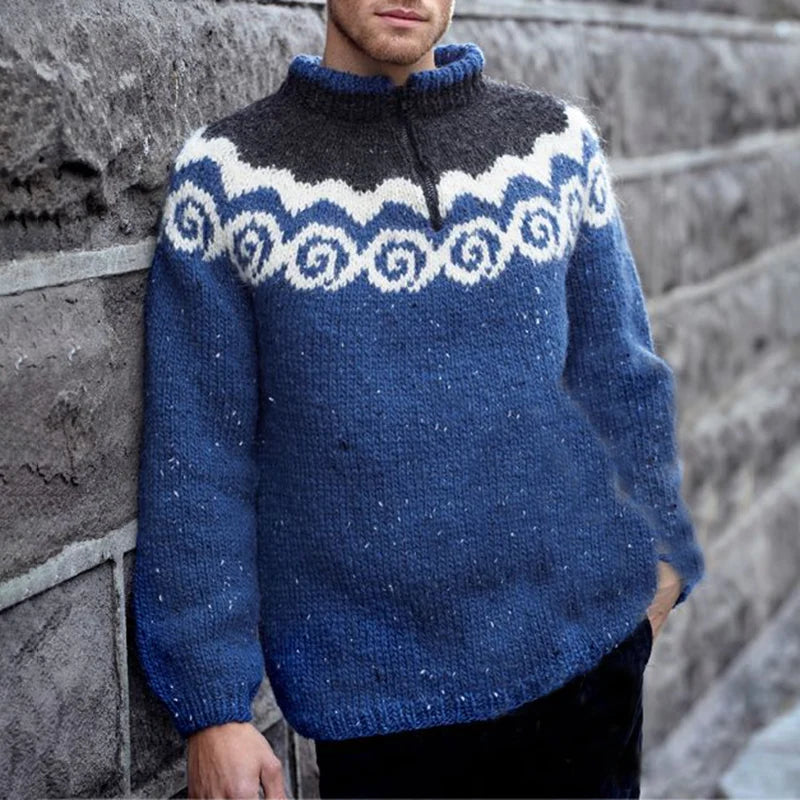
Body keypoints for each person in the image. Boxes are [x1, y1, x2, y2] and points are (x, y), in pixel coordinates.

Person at [131, 1, 707, 798]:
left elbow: (620, 371)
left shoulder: (554, 147)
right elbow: (199, 455)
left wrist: (662, 565)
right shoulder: (229, 179)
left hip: (590, 671)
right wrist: (213, 707)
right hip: (381, 717)